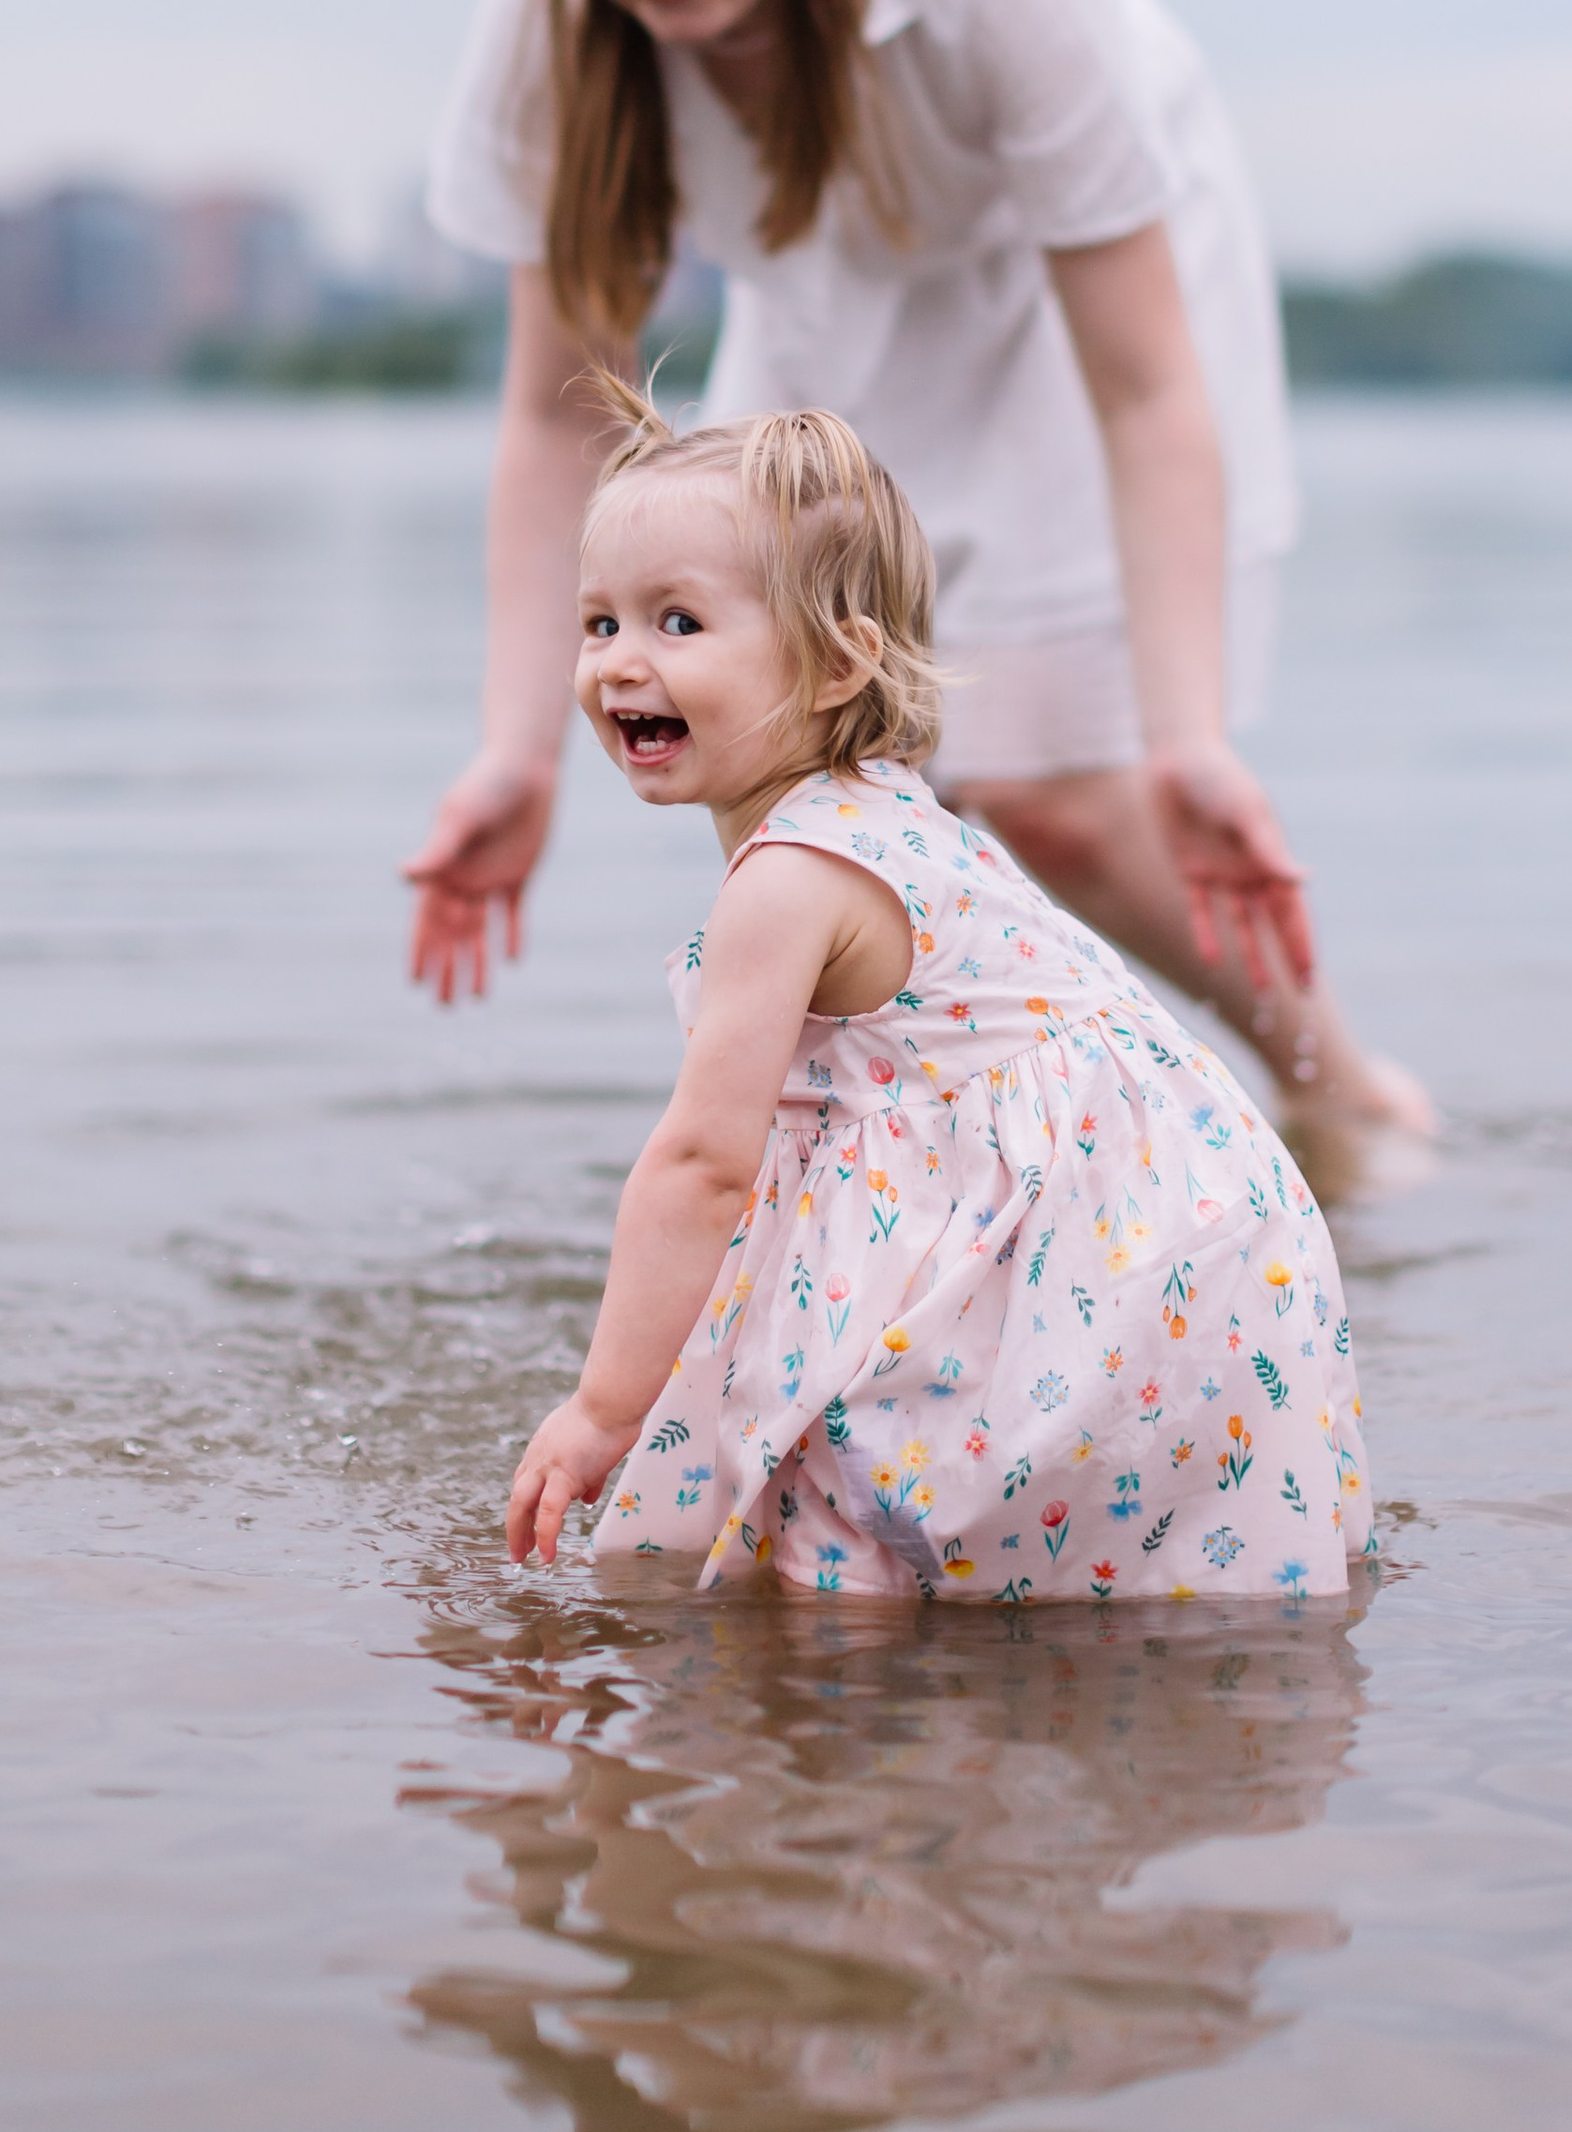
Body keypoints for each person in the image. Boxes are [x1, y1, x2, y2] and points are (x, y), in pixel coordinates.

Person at [409, 0, 1428, 1137]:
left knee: (1061, 804)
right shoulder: (550, 26)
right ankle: (960, 1167)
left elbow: (1147, 385)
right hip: (823, 298)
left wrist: (1188, 738)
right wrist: (517, 753)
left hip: (1065, 296)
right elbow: (555, 417)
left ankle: (1345, 1107)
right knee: (835, 785)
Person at [503, 382, 1372, 1603]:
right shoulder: (894, 808)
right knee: (1111, 1583)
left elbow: (700, 1166)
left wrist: (604, 1408)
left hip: (1099, 1256)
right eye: (599, 622)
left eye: (679, 622)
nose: (619, 664)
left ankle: (856, 1689)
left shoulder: (788, 874)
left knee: (842, 1550)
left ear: (837, 662)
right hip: (1196, 1231)